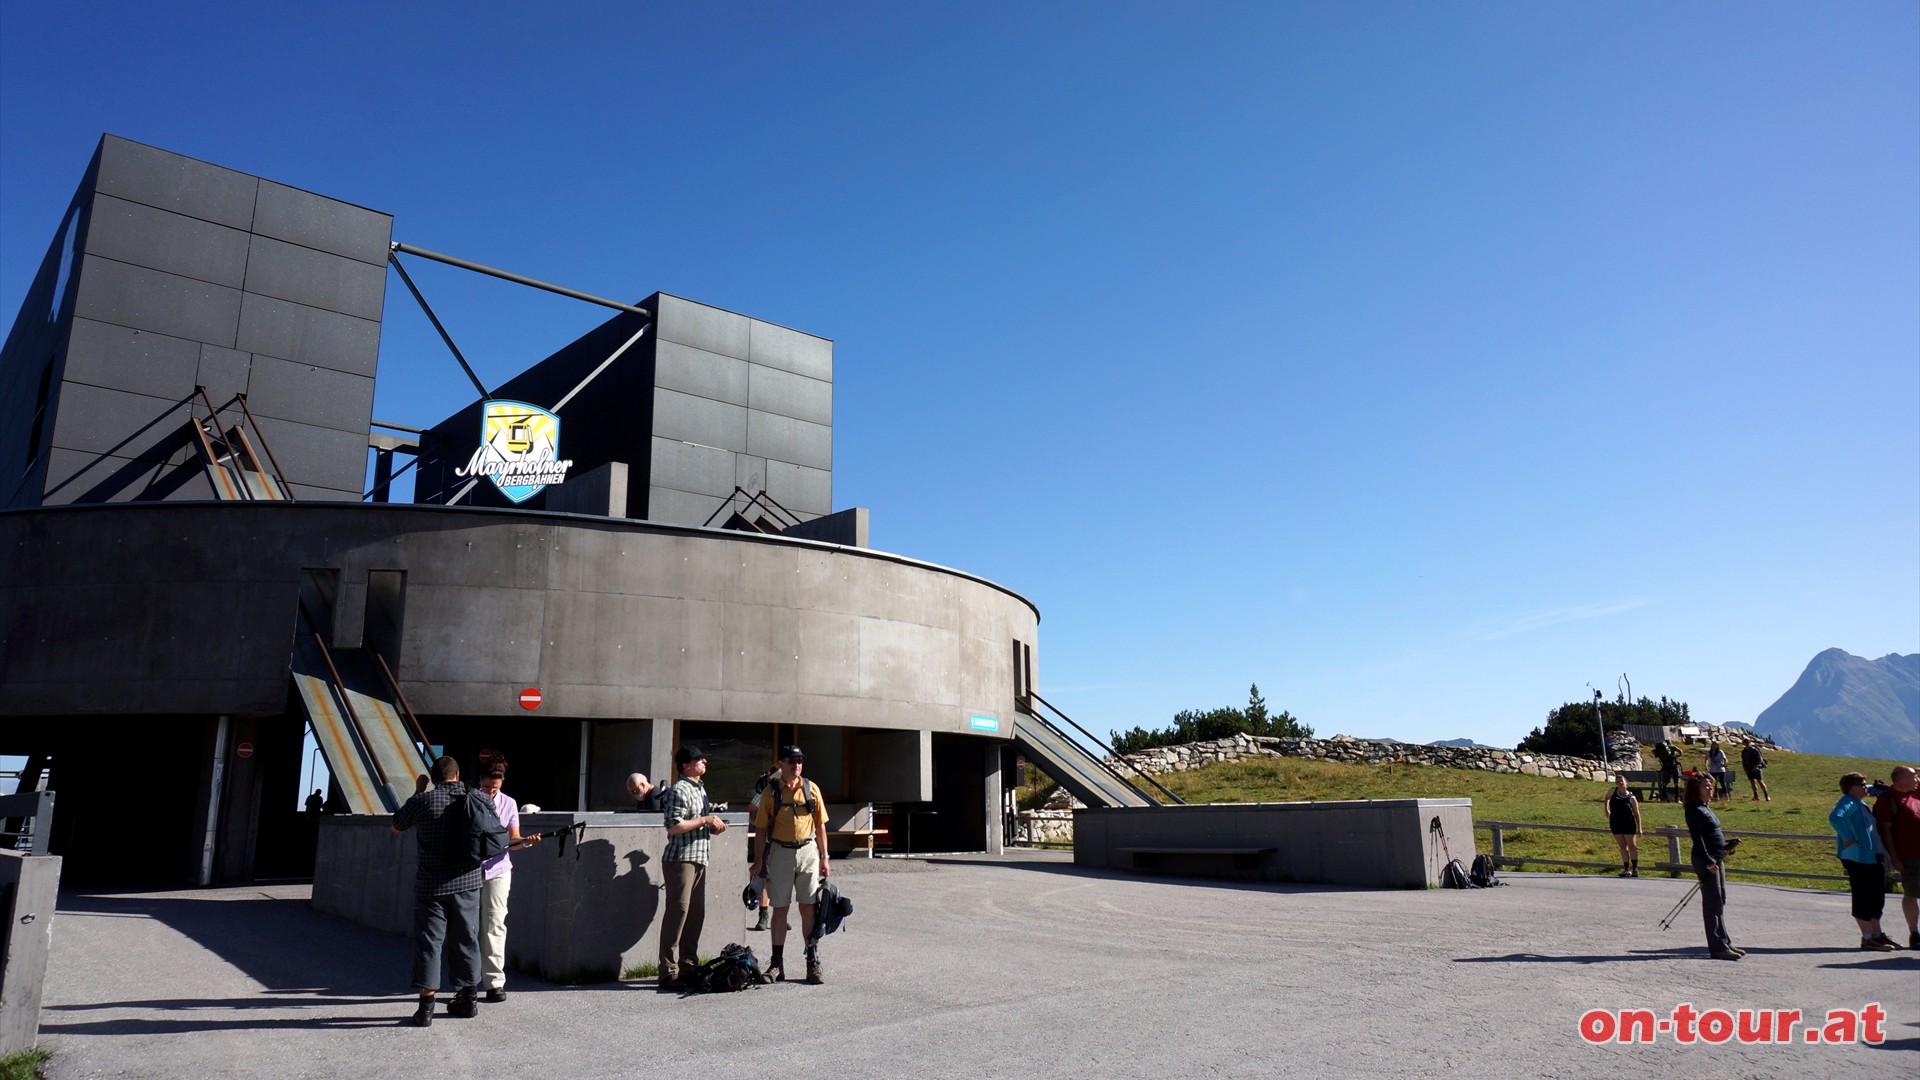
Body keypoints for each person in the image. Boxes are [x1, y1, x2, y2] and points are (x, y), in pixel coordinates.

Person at [391, 755, 493, 1025]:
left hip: (431, 885)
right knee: (467, 938)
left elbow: (396, 825)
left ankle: (425, 1009)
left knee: (429, 943)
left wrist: (417, 791)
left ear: (434, 779)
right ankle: (468, 999)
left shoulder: (422, 802)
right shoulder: (479, 799)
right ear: (457, 775)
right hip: (467, 882)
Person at [750, 744, 830, 984]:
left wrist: (825, 858)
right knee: (780, 909)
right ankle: (776, 964)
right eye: (791, 761)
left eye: (800, 761)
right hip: (781, 852)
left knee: (808, 907)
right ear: (781, 764)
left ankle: (812, 962)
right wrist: (758, 861)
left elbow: (820, 825)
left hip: (808, 851)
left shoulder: (811, 789)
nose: (797, 765)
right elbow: (761, 829)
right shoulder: (771, 792)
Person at [658, 745, 728, 989]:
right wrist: (704, 820)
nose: (704, 762)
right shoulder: (679, 789)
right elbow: (673, 826)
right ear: (686, 765)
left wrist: (714, 826)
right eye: (698, 760)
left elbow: (697, 824)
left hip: (699, 857)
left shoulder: (700, 789)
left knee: (695, 914)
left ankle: (688, 966)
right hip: (681, 859)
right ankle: (668, 972)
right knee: (677, 914)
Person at [477, 759, 541, 1002]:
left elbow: (513, 840)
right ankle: (468, 982)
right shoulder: (471, 800)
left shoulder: (509, 803)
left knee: (495, 922)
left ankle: (494, 982)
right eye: (487, 787)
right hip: (471, 868)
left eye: (496, 787)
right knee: (470, 925)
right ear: (479, 782)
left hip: (498, 868)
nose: (491, 792)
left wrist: (526, 841)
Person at [1830, 773, 1896, 951]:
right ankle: (1867, 937)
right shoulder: (1848, 802)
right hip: (1857, 857)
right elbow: (1835, 818)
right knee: (1863, 895)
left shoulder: (1860, 803)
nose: (1865, 787)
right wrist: (1849, 837)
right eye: (1862, 784)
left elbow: (1879, 791)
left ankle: (1877, 934)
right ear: (1851, 786)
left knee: (1876, 896)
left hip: (1872, 855)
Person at [1682, 774, 1741, 961]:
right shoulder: (1693, 809)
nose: (1710, 789)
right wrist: (1708, 860)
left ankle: (1725, 941)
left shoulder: (1705, 808)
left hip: (1718, 857)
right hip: (1706, 860)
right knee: (1712, 902)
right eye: (1706, 785)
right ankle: (1717, 947)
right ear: (1696, 788)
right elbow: (1697, 838)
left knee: (1720, 899)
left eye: (1712, 786)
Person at [1872, 765, 1920, 950]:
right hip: (1908, 855)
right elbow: (1886, 832)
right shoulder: (1888, 800)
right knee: (1911, 893)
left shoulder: (1914, 794)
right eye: (1913, 776)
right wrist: (1895, 857)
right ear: (1901, 780)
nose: (1916, 779)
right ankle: (1914, 932)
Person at [745, 761, 779, 931]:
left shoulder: (790, 791)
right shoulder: (766, 792)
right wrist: (758, 824)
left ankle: (779, 915)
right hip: (767, 842)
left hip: (783, 843)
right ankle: (763, 916)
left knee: (780, 880)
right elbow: (749, 809)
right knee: (766, 880)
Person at [1603, 776, 1642, 877]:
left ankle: (1635, 869)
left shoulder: (1631, 797)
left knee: (1632, 845)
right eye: (1618, 781)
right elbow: (1606, 798)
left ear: (1626, 782)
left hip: (1628, 823)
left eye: (1622, 781)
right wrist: (1607, 809)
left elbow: (1637, 813)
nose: (1620, 783)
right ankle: (1626, 869)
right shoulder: (1613, 791)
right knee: (1622, 846)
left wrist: (1640, 828)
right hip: (1615, 822)